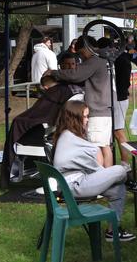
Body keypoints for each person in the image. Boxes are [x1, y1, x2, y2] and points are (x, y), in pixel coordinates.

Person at [52, 100, 135, 242]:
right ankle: (133, 184)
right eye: (85, 116)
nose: (87, 120)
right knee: (120, 170)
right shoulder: (72, 139)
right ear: (74, 118)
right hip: (75, 186)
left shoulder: (66, 136)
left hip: (70, 185)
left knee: (118, 190)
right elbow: (97, 167)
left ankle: (112, 231)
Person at [45, 36, 113, 167]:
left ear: (87, 48)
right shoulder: (103, 60)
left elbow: (75, 74)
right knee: (104, 146)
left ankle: (99, 179)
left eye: (81, 53)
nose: (81, 58)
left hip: (98, 112)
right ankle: (107, 177)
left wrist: (54, 73)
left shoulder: (94, 60)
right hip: (105, 110)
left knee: (95, 148)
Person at [113, 49, 132, 164]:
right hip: (120, 96)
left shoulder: (120, 59)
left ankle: (126, 163)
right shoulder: (123, 58)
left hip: (119, 97)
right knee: (117, 131)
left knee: (118, 131)